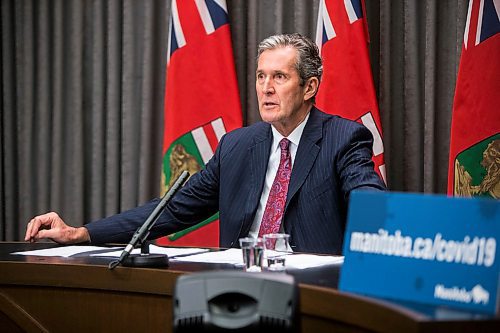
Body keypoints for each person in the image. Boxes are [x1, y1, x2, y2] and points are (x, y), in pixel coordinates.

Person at [25, 33, 386, 254]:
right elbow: (173, 208)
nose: (266, 88)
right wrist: (82, 233)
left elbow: (371, 203)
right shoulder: (237, 145)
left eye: (279, 77)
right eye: (261, 76)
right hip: (237, 289)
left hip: (312, 295)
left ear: (309, 87)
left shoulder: (343, 139)